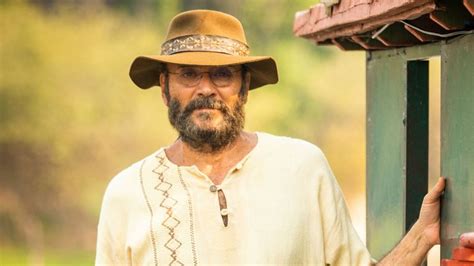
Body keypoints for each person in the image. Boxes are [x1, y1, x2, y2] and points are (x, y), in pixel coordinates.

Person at [95, 9, 473, 265]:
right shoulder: (127, 193)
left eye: (222, 75)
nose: (205, 89)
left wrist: (420, 238)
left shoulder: (302, 167)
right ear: (164, 88)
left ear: (244, 88)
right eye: (188, 75)